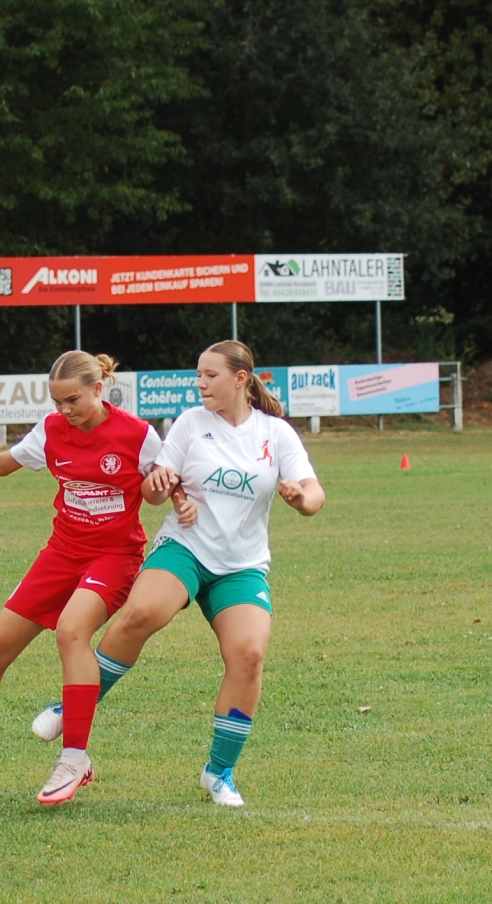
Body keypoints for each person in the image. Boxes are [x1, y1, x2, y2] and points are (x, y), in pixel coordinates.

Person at [37, 341, 324, 808]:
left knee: (249, 655)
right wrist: (160, 484)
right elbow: (157, 488)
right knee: (141, 613)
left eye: (211, 375)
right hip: (185, 549)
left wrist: (300, 498)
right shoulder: (190, 423)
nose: (201, 384)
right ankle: (76, 706)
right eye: (198, 376)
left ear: (240, 379)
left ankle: (219, 772)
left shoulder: (276, 433)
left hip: (242, 566)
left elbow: (314, 494)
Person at [0, 351, 166, 806]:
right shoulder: (52, 430)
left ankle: (74, 759)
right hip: (61, 553)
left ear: (99, 389)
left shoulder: (139, 436)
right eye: (57, 401)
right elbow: (4, 463)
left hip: (114, 558)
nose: (64, 410)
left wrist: (160, 490)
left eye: (73, 400)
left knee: (71, 631)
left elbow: (157, 495)